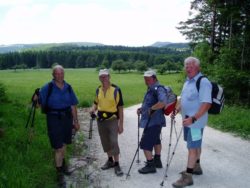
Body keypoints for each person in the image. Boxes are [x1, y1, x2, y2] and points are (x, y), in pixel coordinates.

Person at [34, 65, 80, 186]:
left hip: (67, 119)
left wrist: (76, 121)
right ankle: (59, 173)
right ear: (53, 75)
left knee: (64, 144)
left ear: (64, 74)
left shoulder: (68, 87)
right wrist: (35, 99)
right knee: (58, 147)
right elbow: (38, 105)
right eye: (57, 73)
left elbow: (73, 105)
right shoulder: (47, 87)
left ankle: (63, 166)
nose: (60, 75)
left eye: (61, 73)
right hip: (53, 119)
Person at [172, 57, 212, 188]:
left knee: (192, 147)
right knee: (195, 144)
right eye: (186, 66)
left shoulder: (203, 82)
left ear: (197, 67)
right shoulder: (188, 82)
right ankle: (197, 166)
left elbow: (207, 104)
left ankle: (188, 177)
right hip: (188, 121)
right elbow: (183, 99)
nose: (188, 68)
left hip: (195, 122)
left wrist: (193, 118)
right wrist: (177, 109)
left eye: (191, 66)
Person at [89, 69, 124, 176]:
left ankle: (117, 164)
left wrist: (121, 124)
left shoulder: (116, 90)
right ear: (99, 78)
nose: (103, 78)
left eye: (105, 76)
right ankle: (110, 160)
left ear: (109, 77)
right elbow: (96, 103)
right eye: (101, 77)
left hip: (112, 119)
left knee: (113, 141)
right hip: (100, 120)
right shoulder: (98, 90)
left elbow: (120, 108)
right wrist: (92, 109)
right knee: (105, 141)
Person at [137, 70, 167, 174]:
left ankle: (150, 165)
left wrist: (151, 109)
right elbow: (149, 103)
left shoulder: (158, 88)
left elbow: (163, 102)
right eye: (145, 78)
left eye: (148, 78)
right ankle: (157, 161)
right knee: (156, 140)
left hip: (153, 122)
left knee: (145, 143)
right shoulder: (151, 88)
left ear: (154, 78)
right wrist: (142, 109)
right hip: (154, 122)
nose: (146, 80)